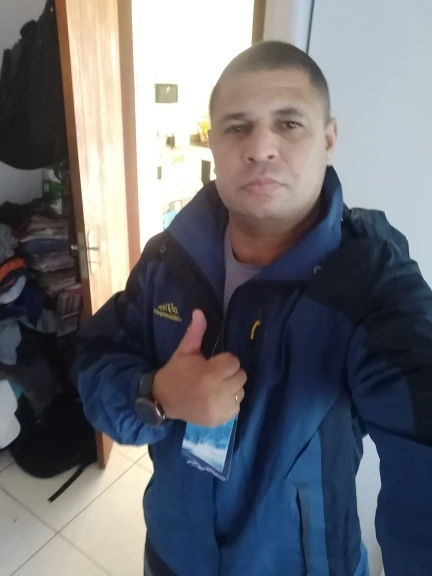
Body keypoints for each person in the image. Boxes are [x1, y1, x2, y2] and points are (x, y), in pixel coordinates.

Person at [74, 41, 432, 576]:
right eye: (237, 126)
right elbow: (93, 364)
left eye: (289, 123)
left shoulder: (371, 283)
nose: (261, 147)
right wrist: (157, 394)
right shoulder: (169, 259)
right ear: (213, 143)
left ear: (328, 139)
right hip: (171, 556)